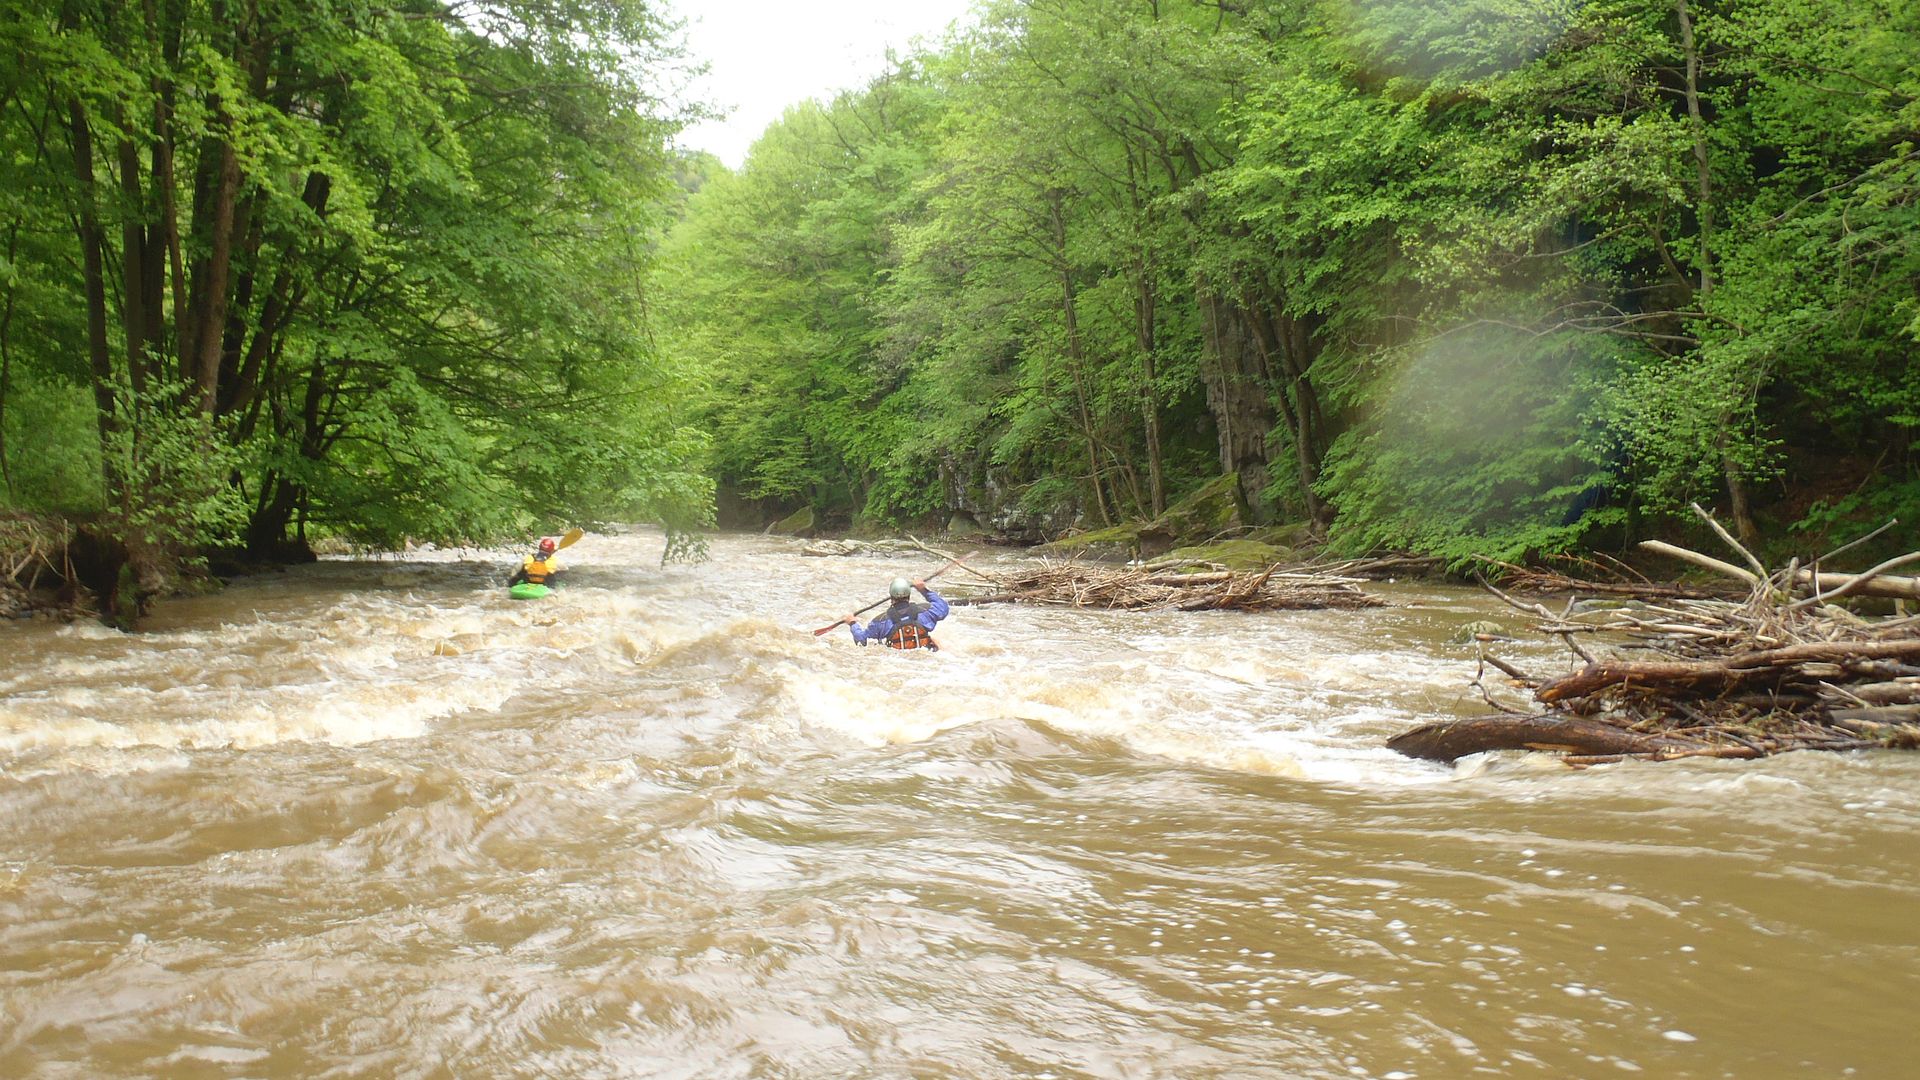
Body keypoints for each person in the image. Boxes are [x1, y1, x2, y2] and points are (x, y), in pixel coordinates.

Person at [848, 576, 949, 651]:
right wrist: (923, 590)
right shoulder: (925, 612)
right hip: (925, 655)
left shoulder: (880, 621)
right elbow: (943, 608)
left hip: (897, 659)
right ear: (909, 595)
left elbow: (861, 640)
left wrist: (852, 623)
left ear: (891, 597)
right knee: (936, 641)